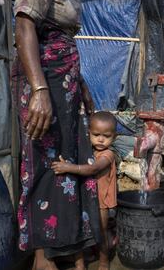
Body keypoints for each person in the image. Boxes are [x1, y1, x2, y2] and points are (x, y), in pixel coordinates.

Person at [12, 0, 101, 270]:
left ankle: (67, 245)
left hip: (64, 82)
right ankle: (43, 255)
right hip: (46, 79)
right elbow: (24, 26)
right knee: (43, 162)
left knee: (66, 161)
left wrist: (80, 83)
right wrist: (39, 91)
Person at [52, 111, 118, 270]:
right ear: (88, 134)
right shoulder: (87, 150)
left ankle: (104, 260)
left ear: (114, 137)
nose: (101, 139)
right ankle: (80, 261)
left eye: (106, 136)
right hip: (86, 197)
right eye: (96, 134)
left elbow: (93, 169)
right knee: (80, 229)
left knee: (100, 231)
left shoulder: (108, 154)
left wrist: (69, 167)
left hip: (102, 200)